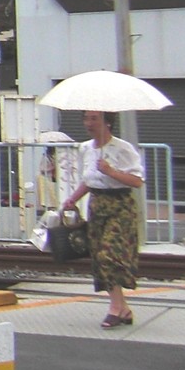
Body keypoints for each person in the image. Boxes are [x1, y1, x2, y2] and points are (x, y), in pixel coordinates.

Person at [60, 109, 144, 329]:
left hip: (120, 206)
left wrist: (111, 171)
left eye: (94, 118)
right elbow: (89, 180)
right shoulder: (86, 148)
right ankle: (122, 307)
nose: (89, 123)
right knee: (99, 257)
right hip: (97, 205)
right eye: (86, 118)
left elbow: (136, 181)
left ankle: (115, 309)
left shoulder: (122, 148)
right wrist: (73, 199)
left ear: (107, 122)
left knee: (109, 254)